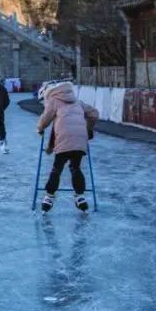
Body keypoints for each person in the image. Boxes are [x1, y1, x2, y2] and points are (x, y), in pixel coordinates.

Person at [36, 80, 99, 212]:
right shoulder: (77, 101)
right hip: (80, 139)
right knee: (75, 167)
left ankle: (49, 196)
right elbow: (94, 113)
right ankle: (80, 196)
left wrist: (40, 128)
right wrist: (88, 130)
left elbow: (45, 118)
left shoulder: (53, 100)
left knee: (57, 167)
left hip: (64, 137)